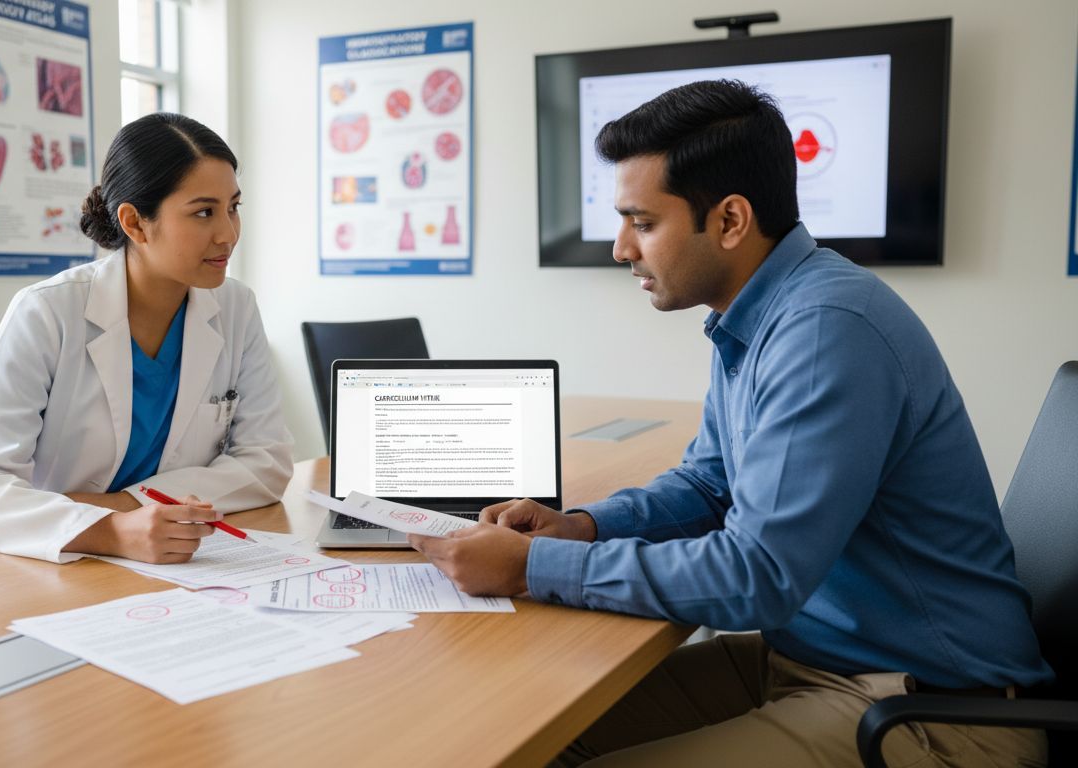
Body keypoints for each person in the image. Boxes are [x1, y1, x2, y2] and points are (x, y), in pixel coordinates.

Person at [409, 80, 1053, 767]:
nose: (621, 249)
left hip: (933, 714)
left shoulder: (824, 331)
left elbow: (758, 574)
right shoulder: (758, 317)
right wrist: (582, 527)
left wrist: (531, 568)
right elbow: (711, 485)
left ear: (731, 221)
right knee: (536, 733)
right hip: (813, 661)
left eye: (642, 223)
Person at [0, 113, 293, 565]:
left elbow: (267, 460)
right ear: (135, 223)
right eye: (204, 212)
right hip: (49, 562)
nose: (229, 234)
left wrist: (126, 506)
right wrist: (111, 530)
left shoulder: (236, 307)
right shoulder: (48, 312)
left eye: (233, 207)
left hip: (173, 559)